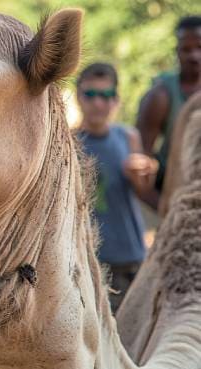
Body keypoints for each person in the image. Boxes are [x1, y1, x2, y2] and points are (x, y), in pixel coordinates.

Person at [76, 62, 149, 313]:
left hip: (133, 254)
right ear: (78, 97)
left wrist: (143, 172)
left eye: (106, 96)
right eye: (91, 94)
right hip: (91, 260)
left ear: (116, 100)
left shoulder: (128, 137)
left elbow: (142, 193)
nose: (99, 103)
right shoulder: (68, 142)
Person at [134, 16, 201, 194]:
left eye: (199, 48)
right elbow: (141, 161)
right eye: (187, 49)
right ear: (177, 51)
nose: (194, 56)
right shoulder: (161, 96)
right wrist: (165, 212)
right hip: (172, 190)